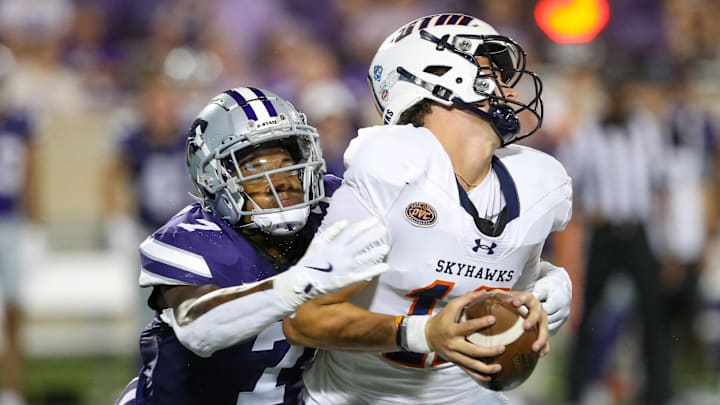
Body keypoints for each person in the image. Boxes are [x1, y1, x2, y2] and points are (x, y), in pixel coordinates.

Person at [282, 13, 573, 404]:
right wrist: (421, 332)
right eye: (490, 69)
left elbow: (475, 263)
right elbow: (304, 317)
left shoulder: (536, 181)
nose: (506, 87)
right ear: (438, 72)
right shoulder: (392, 169)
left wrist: (547, 285)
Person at [114, 87, 390, 405]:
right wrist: (301, 281)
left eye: (287, 161)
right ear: (214, 178)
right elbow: (199, 328)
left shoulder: (332, 207)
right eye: (256, 168)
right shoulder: (192, 237)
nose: (282, 178)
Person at [0, 48, 40, 405]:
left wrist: (35, 225)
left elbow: (31, 174)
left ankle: (11, 391)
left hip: (11, 223)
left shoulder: (20, 123)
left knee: (13, 313)